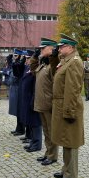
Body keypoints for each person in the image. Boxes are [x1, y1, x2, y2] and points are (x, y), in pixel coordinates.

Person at [51, 34, 84, 178]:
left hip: (68, 106)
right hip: (61, 106)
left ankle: (71, 175)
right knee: (65, 139)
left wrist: (70, 111)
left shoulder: (74, 62)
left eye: (62, 46)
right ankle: (66, 170)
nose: (59, 48)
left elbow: (73, 90)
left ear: (70, 47)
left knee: (70, 141)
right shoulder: (66, 60)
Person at [30, 38, 59, 166]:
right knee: (46, 131)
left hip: (49, 103)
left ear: (51, 49)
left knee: (51, 131)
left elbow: (55, 76)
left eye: (43, 48)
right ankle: (48, 153)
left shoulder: (53, 64)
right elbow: (32, 70)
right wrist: (35, 57)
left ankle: (53, 156)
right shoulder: (43, 64)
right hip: (41, 102)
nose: (40, 50)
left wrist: (53, 57)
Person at [19, 50, 42, 152]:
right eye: (27, 58)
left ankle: (37, 144)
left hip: (33, 97)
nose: (28, 60)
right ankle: (33, 141)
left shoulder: (36, 68)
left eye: (29, 58)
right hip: (28, 98)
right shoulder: (28, 68)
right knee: (31, 122)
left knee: (35, 122)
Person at [9, 49, 25, 136]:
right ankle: (18, 128)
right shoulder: (15, 63)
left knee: (19, 110)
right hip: (14, 88)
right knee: (16, 110)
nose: (14, 57)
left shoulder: (20, 65)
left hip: (18, 88)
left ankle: (21, 129)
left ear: (19, 56)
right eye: (13, 55)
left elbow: (17, 76)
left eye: (16, 55)